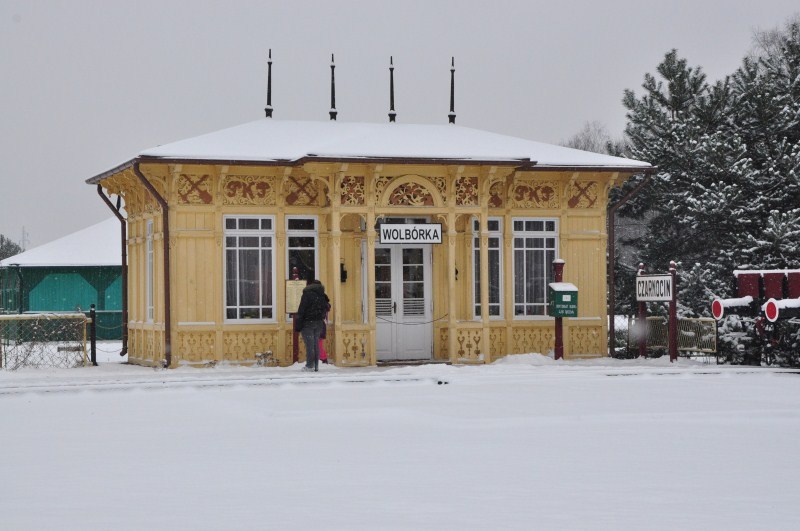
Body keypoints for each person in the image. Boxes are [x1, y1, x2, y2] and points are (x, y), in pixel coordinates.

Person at [295, 277, 329, 372]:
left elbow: (302, 309)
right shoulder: (323, 296)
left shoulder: (307, 295)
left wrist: (298, 324)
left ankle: (310, 366)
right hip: (319, 323)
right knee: (316, 345)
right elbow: (325, 309)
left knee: (310, 345)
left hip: (308, 323)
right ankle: (316, 365)